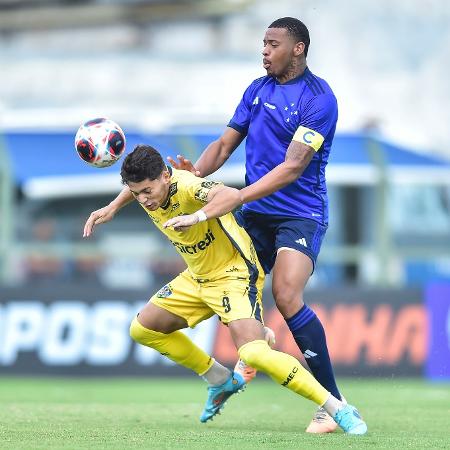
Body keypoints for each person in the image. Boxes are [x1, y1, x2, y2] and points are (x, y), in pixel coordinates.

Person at [83, 144, 367, 434]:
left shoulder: (189, 186)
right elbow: (135, 190)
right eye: (136, 193)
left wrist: (196, 217)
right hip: (196, 278)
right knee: (142, 329)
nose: (144, 200)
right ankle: (219, 378)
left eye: (147, 191)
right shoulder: (147, 190)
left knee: (254, 354)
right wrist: (113, 206)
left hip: (234, 275)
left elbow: (230, 195)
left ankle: (337, 407)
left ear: (166, 177)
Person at [167, 17, 344, 433]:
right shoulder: (257, 89)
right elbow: (225, 144)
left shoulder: (319, 100)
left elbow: (293, 166)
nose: (264, 50)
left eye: (273, 43)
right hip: (255, 213)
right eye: (263, 43)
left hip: (301, 213)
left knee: (286, 293)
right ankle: (256, 342)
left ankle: (332, 404)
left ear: (297, 48)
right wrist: (196, 176)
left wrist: (238, 196)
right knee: (222, 275)